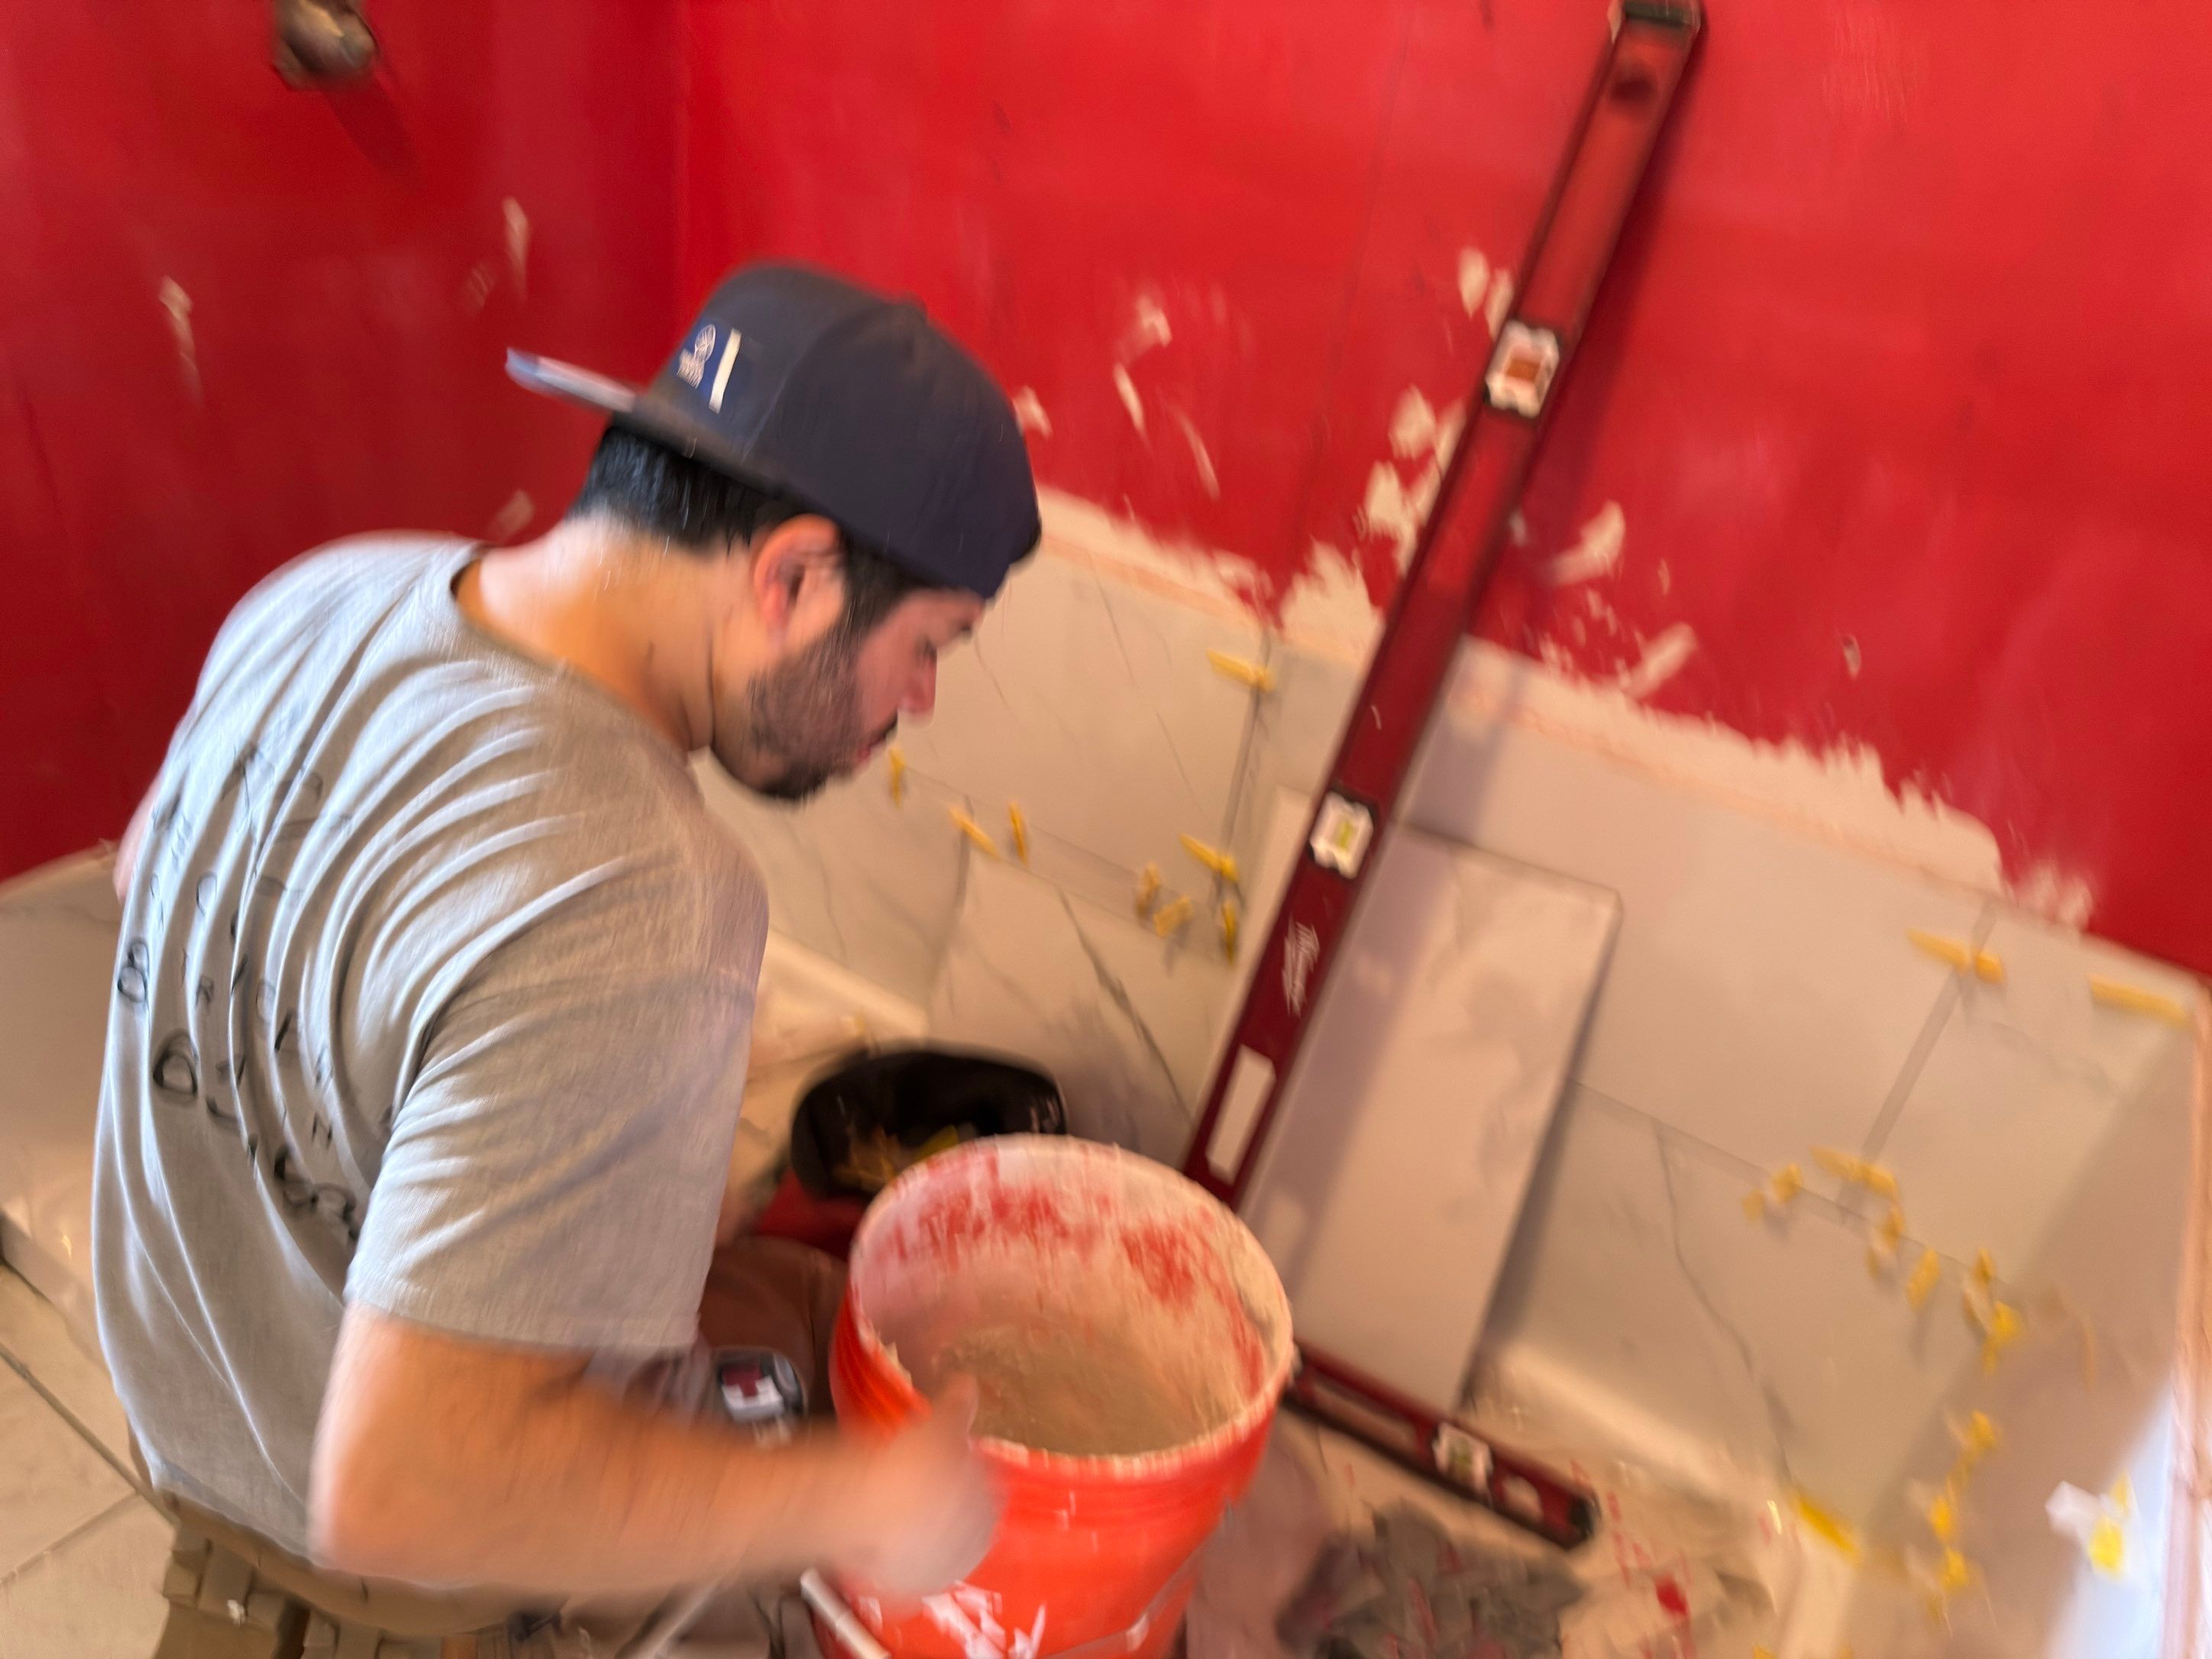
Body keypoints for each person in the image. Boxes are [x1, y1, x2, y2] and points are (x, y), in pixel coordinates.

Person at [92, 262, 1040, 1656]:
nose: (920, 701)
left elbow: (147, 883)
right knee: (831, 1389)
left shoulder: (334, 592)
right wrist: (869, 1495)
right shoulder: (648, 894)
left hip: (193, 1395)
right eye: (927, 645)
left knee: (775, 1291)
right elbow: (403, 1489)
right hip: (364, 1542)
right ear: (793, 576)